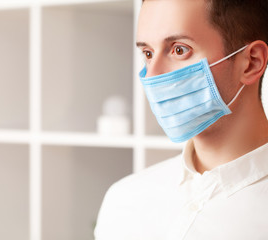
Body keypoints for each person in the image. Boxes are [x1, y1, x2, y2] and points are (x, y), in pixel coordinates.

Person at [94, 0, 268, 239]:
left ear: (251, 62)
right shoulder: (122, 200)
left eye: (179, 50)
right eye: (147, 53)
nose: (152, 75)